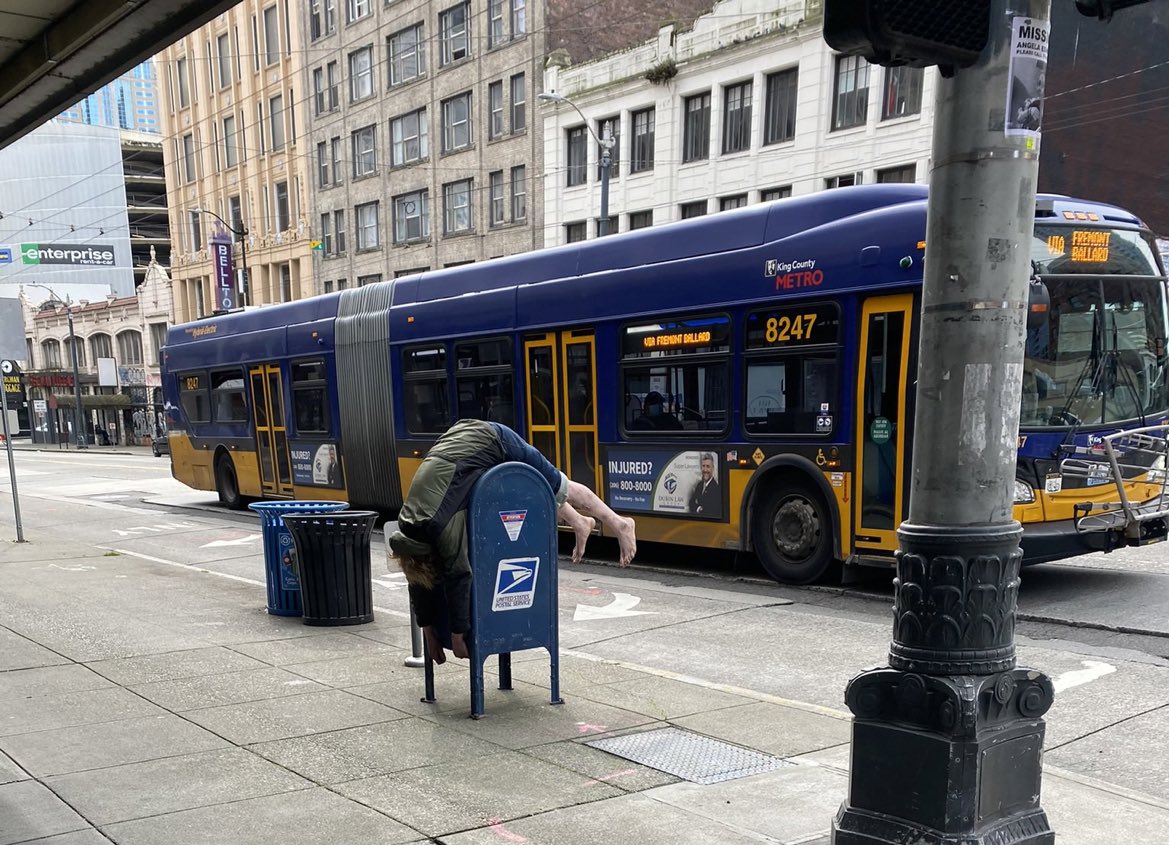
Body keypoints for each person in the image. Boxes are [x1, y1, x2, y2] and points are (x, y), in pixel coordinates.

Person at [388, 419, 637, 664]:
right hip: (459, 445)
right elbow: (417, 584)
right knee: (543, 488)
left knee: (560, 486)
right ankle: (580, 523)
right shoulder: (408, 528)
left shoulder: (438, 526)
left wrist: (456, 635)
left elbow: (459, 575)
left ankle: (619, 523)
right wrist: (430, 633)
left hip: (494, 440)